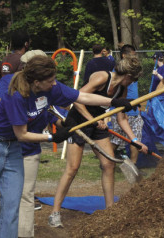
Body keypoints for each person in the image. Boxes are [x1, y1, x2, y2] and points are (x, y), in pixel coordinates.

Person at [0, 55, 133, 238]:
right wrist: (52, 137)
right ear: (36, 82)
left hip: (13, 148)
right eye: (50, 80)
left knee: (12, 206)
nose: (55, 84)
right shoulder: (16, 95)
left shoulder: (50, 88)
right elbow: (21, 134)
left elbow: (81, 96)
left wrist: (112, 102)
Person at [48, 55, 149, 228]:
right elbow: (78, 99)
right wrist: (93, 120)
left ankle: (110, 211)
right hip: (79, 121)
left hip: (97, 125)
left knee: (109, 164)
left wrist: (134, 140)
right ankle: (54, 213)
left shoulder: (121, 90)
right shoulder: (102, 77)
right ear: (127, 75)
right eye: (133, 79)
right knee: (72, 168)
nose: (133, 83)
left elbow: (121, 118)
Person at [0, 50, 56, 238]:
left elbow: (50, 110)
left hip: (29, 150)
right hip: (3, 146)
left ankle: (24, 235)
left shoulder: (47, 86)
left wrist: (61, 122)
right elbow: (1, 107)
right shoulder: (9, 82)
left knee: (26, 195)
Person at [110, 44, 144, 164]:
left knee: (136, 139)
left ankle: (133, 167)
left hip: (132, 110)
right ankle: (107, 160)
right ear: (124, 56)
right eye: (132, 56)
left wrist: (137, 105)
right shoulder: (116, 74)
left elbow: (134, 91)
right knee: (117, 140)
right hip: (120, 110)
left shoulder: (132, 74)